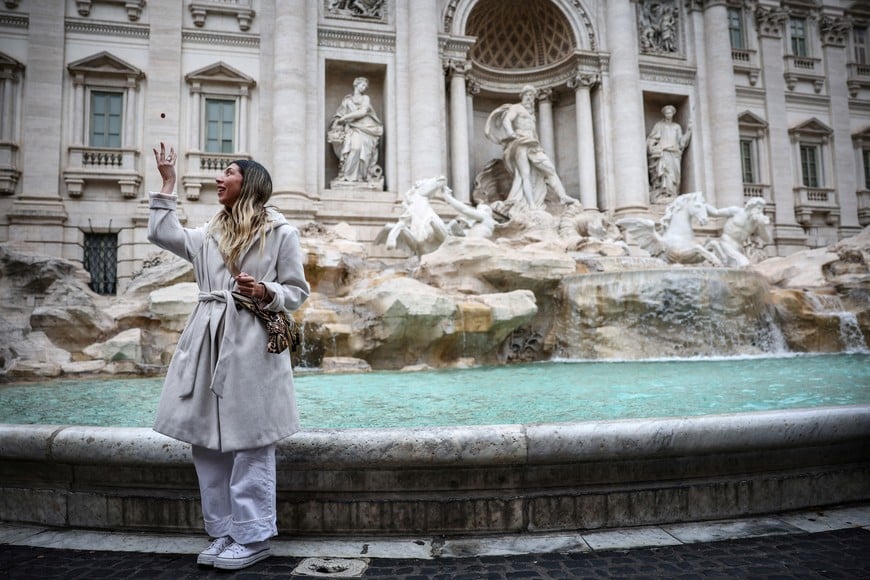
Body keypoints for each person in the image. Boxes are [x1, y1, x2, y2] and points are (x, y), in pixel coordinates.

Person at [148, 143, 310, 570]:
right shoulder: (209, 232)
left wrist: (265, 290)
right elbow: (165, 235)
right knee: (205, 441)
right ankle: (222, 531)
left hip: (251, 343)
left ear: (249, 183)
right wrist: (168, 183)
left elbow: (296, 292)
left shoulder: (281, 233)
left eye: (228, 172)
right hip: (206, 338)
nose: (219, 178)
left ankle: (253, 536)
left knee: (251, 440)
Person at [484, 85, 577, 213]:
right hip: (520, 143)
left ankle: (562, 196)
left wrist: (540, 147)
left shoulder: (531, 115)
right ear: (522, 96)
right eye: (527, 95)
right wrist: (511, 133)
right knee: (525, 174)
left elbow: (534, 133)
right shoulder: (516, 108)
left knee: (549, 169)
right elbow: (506, 119)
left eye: (532, 96)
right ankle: (531, 204)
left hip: (533, 145)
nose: (530, 98)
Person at [328, 76, 384, 184]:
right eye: (363, 85)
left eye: (366, 86)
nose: (364, 88)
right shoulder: (347, 100)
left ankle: (360, 177)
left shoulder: (365, 98)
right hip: (352, 128)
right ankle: (346, 176)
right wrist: (336, 123)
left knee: (360, 150)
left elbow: (363, 112)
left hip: (366, 129)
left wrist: (345, 117)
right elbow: (339, 114)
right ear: (356, 84)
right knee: (355, 148)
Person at [705, 197, 771, 267]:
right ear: (751, 206)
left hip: (738, 248)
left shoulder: (756, 223)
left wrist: (762, 226)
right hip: (726, 243)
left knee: (734, 268)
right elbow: (716, 212)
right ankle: (714, 246)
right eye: (758, 208)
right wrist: (703, 205)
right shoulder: (736, 211)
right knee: (744, 263)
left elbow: (767, 239)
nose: (760, 211)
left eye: (761, 209)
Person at [646, 104, 691, 203]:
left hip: (675, 154)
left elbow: (682, 142)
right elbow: (651, 138)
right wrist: (653, 147)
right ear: (664, 114)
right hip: (664, 152)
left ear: (673, 114)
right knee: (665, 173)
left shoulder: (677, 127)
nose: (668, 114)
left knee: (675, 176)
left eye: (670, 112)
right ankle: (664, 194)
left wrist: (688, 130)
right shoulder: (659, 125)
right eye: (667, 113)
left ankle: (673, 194)